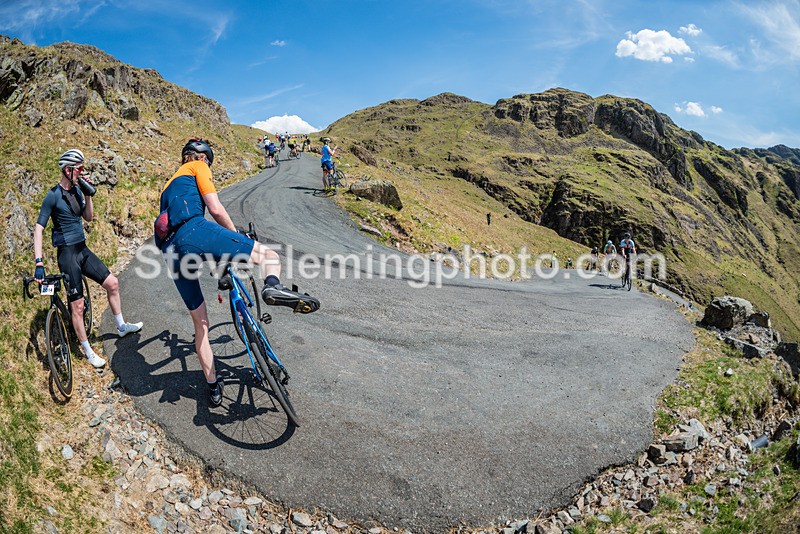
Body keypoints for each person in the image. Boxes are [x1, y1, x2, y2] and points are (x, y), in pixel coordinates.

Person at [156, 139, 320, 407]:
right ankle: (272, 287)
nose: (207, 164)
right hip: (193, 231)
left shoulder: (166, 188)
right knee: (268, 256)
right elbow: (216, 208)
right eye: (208, 160)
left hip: (171, 253)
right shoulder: (198, 166)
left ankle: (213, 386)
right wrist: (234, 235)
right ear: (200, 157)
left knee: (201, 326)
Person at [34, 149, 142, 368]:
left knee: (112, 283)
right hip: (67, 255)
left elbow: (89, 218)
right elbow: (38, 230)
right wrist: (39, 263)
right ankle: (88, 350)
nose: (82, 172)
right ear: (68, 169)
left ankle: (121, 326)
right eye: (79, 169)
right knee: (78, 307)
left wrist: (88, 195)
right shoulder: (53, 195)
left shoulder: (77, 191)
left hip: (83, 250)